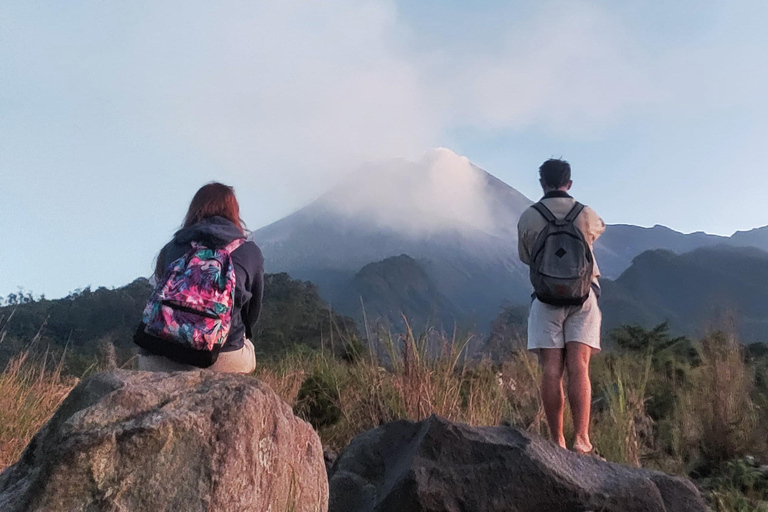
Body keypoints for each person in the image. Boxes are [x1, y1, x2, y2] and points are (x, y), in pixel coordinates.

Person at [517, 159, 606, 455]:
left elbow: (526, 257)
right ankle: (582, 438)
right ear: (569, 183)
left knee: (551, 369)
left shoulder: (529, 217)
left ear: (542, 182)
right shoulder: (586, 214)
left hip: (545, 299)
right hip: (583, 297)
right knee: (579, 366)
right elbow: (597, 234)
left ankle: (557, 441)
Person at [137, 182, 264, 373]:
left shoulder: (173, 247)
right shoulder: (249, 251)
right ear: (234, 212)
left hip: (158, 355)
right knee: (248, 347)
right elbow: (251, 314)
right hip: (217, 356)